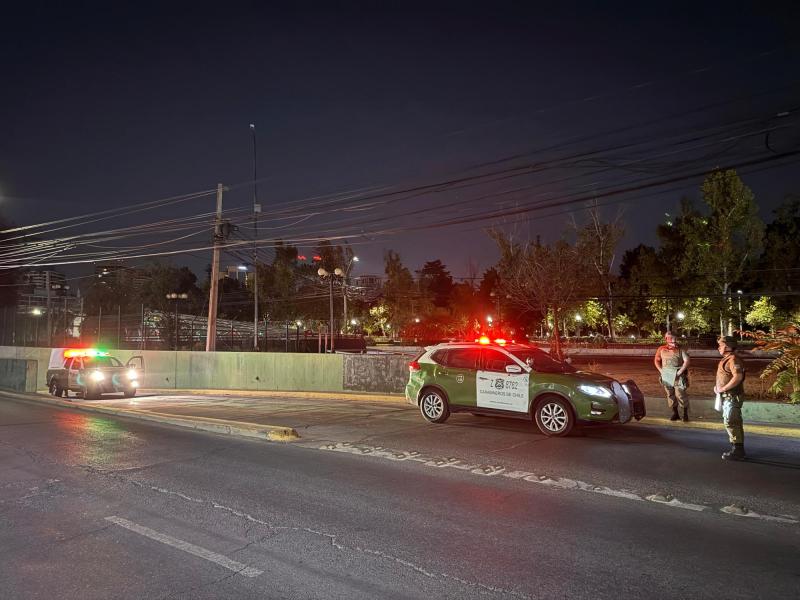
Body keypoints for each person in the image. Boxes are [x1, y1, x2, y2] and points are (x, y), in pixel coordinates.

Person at [715, 336, 747, 461]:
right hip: (727, 396)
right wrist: (717, 387)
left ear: (727, 346)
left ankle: (738, 451)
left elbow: (737, 377)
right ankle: (737, 448)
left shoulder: (733, 359)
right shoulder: (727, 359)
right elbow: (725, 376)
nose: (718, 347)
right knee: (730, 421)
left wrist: (723, 389)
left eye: (720, 345)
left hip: (732, 396)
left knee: (732, 422)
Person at [654, 331, 691, 421]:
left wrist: (680, 371)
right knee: (670, 395)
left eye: (674, 339)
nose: (673, 341)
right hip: (666, 376)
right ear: (666, 339)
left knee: (680, 395)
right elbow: (656, 360)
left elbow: (687, 360)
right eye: (670, 339)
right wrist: (661, 370)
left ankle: (685, 414)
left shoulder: (681, 349)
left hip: (678, 376)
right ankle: (675, 413)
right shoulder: (661, 349)